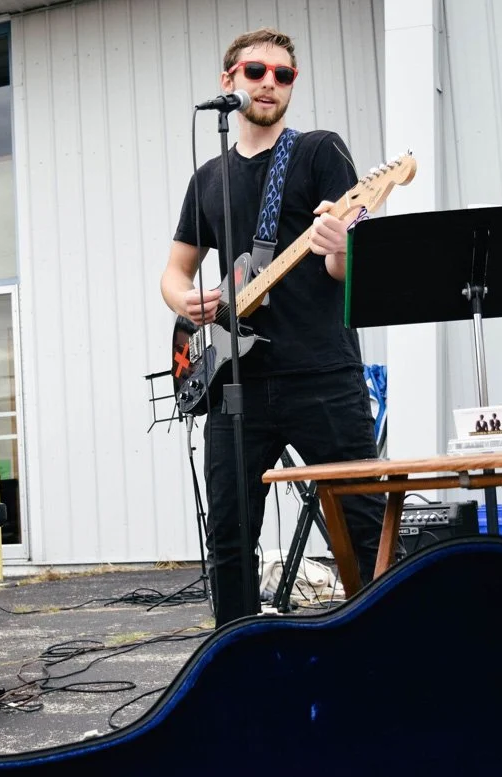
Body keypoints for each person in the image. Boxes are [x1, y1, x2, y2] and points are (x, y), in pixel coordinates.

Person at [160, 27, 385, 626]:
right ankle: (237, 656)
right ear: (228, 80)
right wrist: (191, 301)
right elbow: (175, 273)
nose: (269, 83)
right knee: (230, 540)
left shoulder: (318, 152)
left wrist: (339, 245)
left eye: (283, 75)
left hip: (322, 373)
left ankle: (384, 647)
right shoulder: (207, 178)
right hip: (238, 384)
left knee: (363, 526)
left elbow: (344, 267)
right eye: (256, 71)